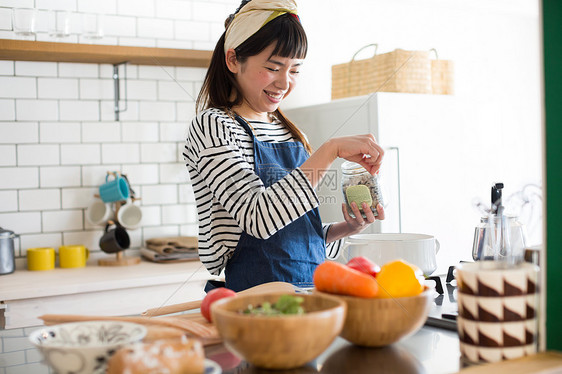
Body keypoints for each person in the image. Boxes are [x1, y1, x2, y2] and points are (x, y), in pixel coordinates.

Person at [183, 0, 385, 292]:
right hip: (252, 299)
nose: (284, 83)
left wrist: (348, 228)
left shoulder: (291, 132)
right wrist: (329, 151)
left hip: (311, 293)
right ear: (232, 60)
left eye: (295, 70)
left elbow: (297, 239)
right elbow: (259, 219)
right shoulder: (214, 126)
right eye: (273, 67)